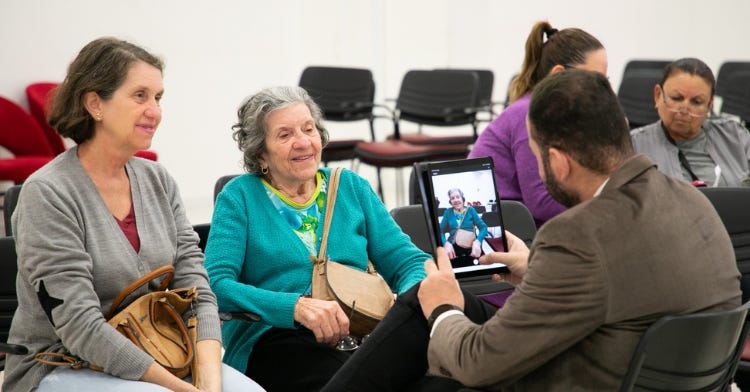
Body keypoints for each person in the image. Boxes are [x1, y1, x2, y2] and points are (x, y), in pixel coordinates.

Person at [320, 70, 742, 391]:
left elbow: (476, 362)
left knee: (425, 312)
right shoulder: (694, 202)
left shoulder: (579, 234)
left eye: (538, 158)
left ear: (558, 163)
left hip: (585, 377)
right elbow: (625, 280)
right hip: (666, 377)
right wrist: (536, 268)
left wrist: (444, 309)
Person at [2, 38, 264, 392]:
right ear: (95, 103)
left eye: (158, 97)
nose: (154, 110)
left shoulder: (157, 179)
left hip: (161, 350)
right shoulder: (47, 193)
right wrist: (183, 389)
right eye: (140, 95)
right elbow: (78, 324)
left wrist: (211, 381)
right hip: (60, 362)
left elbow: (197, 289)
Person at [204, 86, 428, 391]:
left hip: (360, 333)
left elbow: (409, 262)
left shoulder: (351, 187)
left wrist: (402, 313)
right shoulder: (240, 196)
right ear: (260, 153)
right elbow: (215, 286)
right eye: (284, 135)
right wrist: (295, 308)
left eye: (308, 129)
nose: (303, 142)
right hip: (276, 337)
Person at [468, 21, 607, 227]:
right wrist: (604, 208)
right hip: (500, 230)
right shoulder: (528, 114)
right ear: (558, 74)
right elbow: (541, 203)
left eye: (605, 81)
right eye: (593, 80)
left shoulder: (558, 116)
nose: (602, 91)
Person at [631, 57, 750, 187]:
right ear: (658, 95)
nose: (684, 110)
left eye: (696, 102)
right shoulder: (633, 145)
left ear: (709, 105)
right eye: (676, 98)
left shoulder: (736, 136)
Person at [439, 188, 488, 267]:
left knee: (477, 268)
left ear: (462, 198)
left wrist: (478, 241)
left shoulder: (471, 210)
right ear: (450, 201)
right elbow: (440, 231)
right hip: (453, 247)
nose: (455, 200)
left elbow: (483, 227)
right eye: (452, 198)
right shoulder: (448, 212)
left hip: (471, 246)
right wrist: (446, 243)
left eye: (458, 197)